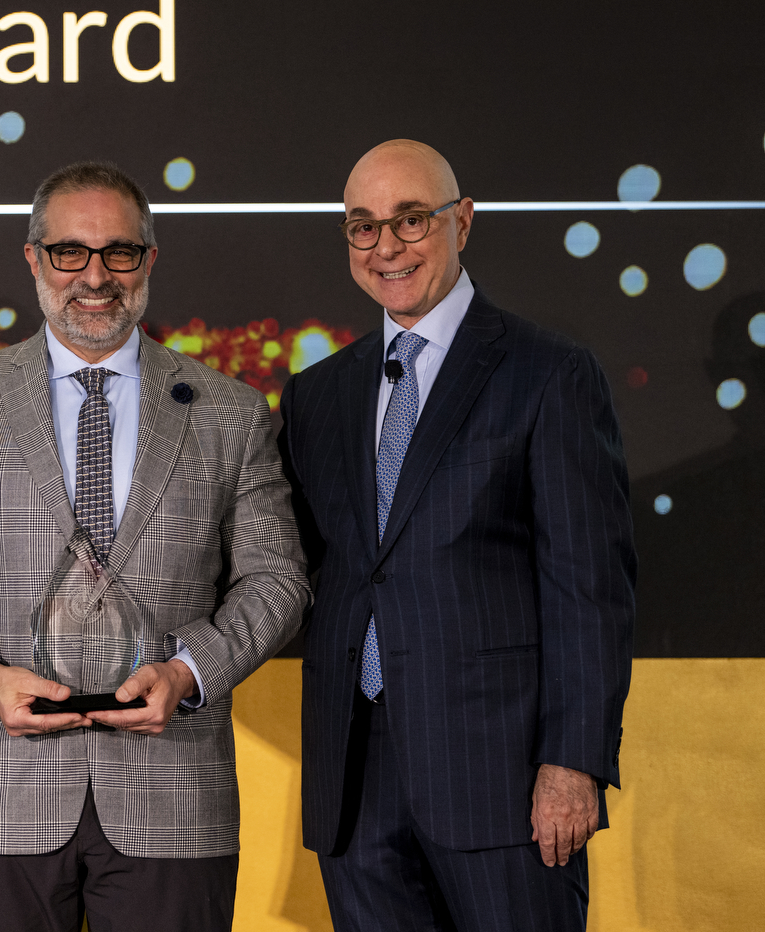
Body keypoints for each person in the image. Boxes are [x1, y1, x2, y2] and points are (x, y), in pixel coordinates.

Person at [0, 160, 309, 932]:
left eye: (119, 253)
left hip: (173, 799)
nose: (95, 276)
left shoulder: (230, 414)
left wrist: (189, 671)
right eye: (70, 252)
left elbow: (277, 582)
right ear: (34, 260)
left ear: (149, 261)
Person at [277, 139, 636, 931]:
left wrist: (573, 763)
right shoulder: (317, 395)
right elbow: (306, 569)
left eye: (410, 220)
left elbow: (590, 589)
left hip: (504, 784)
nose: (386, 247)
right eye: (362, 227)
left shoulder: (548, 374)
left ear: (462, 221)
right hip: (354, 786)